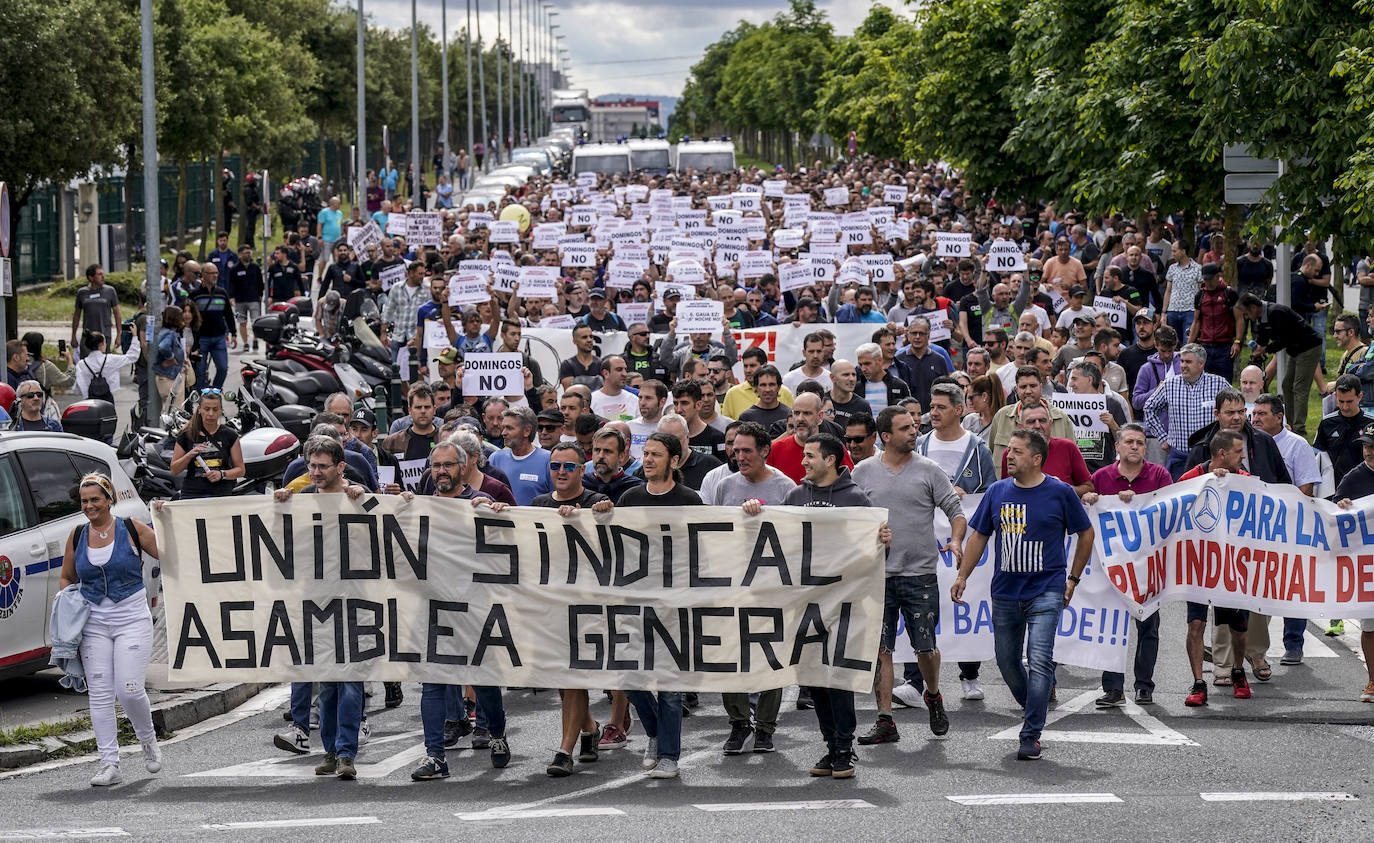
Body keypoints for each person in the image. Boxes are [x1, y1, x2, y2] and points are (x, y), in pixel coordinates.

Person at [740, 432, 890, 779]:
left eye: (810, 456)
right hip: (804, 605)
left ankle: (844, 747)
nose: (803, 461)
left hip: (844, 604)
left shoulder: (856, 500)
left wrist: (883, 543)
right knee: (814, 677)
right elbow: (775, 537)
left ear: (831, 460)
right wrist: (754, 513)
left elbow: (874, 558)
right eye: (804, 456)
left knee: (837, 676)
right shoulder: (795, 495)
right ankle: (830, 746)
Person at [955, 427, 1094, 761]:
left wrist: (1072, 579)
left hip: (1047, 589)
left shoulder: (1060, 493)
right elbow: (978, 537)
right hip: (1005, 593)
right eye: (1009, 450)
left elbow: (1085, 534)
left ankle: (1031, 733)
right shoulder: (998, 491)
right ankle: (1034, 704)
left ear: (1036, 459)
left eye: (1016, 451)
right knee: (1006, 661)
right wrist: (962, 575)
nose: (1008, 455)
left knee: (1041, 659)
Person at [853, 407, 967, 745]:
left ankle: (932, 693)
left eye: (914, 426)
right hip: (878, 576)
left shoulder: (930, 471)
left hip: (919, 575)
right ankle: (885, 719)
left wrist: (956, 539)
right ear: (885, 436)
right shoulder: (862, 473)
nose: (913, 432)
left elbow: (955, 512)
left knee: (925, 648)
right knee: (881, 650)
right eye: (905, 428)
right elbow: (850, 520)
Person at [407, 440, 513, 780]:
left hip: (475, 608)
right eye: (436, 465)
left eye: (448, 465)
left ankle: (496, 734)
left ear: (463, 467)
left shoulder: (479, 504)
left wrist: (494, 514)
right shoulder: (420, 507)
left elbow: (507, 546)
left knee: (483, 681)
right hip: (433, 608)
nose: (441, 471)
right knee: (433, 683)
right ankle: (434, 755)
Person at [272, 437, 371, 780]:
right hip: (317, 601)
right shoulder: (302, 500)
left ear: (340, 467)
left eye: (322, 466)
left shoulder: (357, 497)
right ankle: (331, 750)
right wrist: (282, 504)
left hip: (356, 599)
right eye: (310, 466)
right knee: (327, 683)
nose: (314, 472)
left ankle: (347, 753)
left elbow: (389, 523)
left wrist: (372, 498)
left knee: (351, 681)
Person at [58, 474, 163, 786]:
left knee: (129, 690)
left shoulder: (131, 528)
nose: (90, 506)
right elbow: (67, 577)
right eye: (84, 501)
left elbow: (169, 553)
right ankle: (109, 764)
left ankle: (148, 741)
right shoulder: (77, 535)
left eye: (95, 499)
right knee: (100, 695)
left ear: (109, 499)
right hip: (93, 622)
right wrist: (68, 604)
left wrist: (166, 517)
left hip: (131, 616)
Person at [619, 432, 702, 779]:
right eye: (645, 453)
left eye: (655, 454)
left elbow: (706, 548)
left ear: (674, 460)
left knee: (669, 686)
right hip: (634, 603)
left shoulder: (690, 500)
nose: (648, 459)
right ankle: (654, 733)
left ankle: (668, 754)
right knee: (629, 677)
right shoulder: (629, 498)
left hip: (675, 607)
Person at [530, 442, 614, 776]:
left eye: (568, 466)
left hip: (586, 605)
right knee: (562, 681)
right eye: (555, 466)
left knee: (574, 676)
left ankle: (565, 751)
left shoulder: (595, 502)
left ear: (583, 470)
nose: (560, 473)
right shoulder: (537, 505)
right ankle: (590, 729)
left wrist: (601, 516)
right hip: (549, 604)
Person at [1082, 424, 1172, 706]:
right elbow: (1085, 514)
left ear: (1146, 449)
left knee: (1148, 628)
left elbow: (1171, 510)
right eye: (1129, 442)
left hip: (1147, 567)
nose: (1135, 446)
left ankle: (1144, 685)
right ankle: (1113, 687)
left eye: (1140, 443)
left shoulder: (1159, 475)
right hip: (1112, 567)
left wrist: (1142, 503)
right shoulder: (1100, 477)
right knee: (1112, 625)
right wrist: (1089, 498)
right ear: (1118, 447)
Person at [1177, 429, 1255, 706]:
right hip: (1199, 565)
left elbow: (1266, 502)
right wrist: (1210, 481)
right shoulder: (1192, 476)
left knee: (1239, 626)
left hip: (1233, 565)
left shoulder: (1245, 478)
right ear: (1221, 454)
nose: (1243, 455)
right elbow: (1173, 503)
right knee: (1195, 623)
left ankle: (1238, 671)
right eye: (1238, 451)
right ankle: (1199, 682)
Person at [1238, 292, 1323, 437]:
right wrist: (1258, 347)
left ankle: (1298, 427)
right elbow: (1264, 337)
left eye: (1246, 314)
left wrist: (1265, 349)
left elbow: (1285, 339)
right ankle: (1287, 421)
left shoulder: (1276, 312)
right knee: (1286, 385)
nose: (1246, 317)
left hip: (1308, 346)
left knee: (1299, 387)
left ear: (1253, 307)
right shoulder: (1262, 317)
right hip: (1294, 349)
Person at [1142, 343, 1230, 478]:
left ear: (1201, 364)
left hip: (1210, 456)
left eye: (1188, 362)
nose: (1183, 365)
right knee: (1180, 496)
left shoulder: (1219, 384)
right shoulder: (1170, 384)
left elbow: (1234, 408)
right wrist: (1162, 437)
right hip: (1180, 457)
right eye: (1182, 361)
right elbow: (1149, 408)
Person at [170, 390, 245, 498]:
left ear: (221, 411)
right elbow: (174, 470)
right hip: (192, 495)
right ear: (199, 409)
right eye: (207, 409)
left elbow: (241, 470)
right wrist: (189, 455)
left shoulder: (230, 435)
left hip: (221, 495)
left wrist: (222, 474)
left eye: (215, 409)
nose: (211, 414)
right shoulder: (186, 435)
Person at [766, 393, 852, 482]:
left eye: (807, 413)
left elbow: (850, 485)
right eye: (796, 413)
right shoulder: (775, 450)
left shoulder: (836, 449)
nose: (800, 418)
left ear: (820, 416)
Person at [1314, 374, 1374, 483]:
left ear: (1360, 397)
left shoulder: (1371, 422)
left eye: (1349, 402)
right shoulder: (1326, 423)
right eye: (1341, 401)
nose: (1345, 407)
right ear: (1336, 396)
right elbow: (1317, 456)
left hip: (1366, 487)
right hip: (1333, 488)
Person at [1188, 263, 1242, 380]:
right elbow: (1196, 321)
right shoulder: (1200, 296)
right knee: (1204, 382)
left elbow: (1239, 319)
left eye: (1211, 279)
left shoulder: (1229, 294)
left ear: (1218, 276)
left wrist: (1237, 341)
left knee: (1225, 383)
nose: (1208, 282)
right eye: (1205, 279)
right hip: (1205, 346)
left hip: (1225, 346)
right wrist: (1189, 345)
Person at [488, 406, 551, 505]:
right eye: (503, 427)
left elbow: (557, 498)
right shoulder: (495, 458)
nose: (503, 433)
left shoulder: (548, 460)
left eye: (509, 428)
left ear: (527, 431)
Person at [187, 262, 233, 389]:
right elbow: (188, 316)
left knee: (223, 368)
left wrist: (233, 333)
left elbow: (228, 314)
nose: (215, 276)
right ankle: (203, 399)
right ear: (204, 275)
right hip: (201, 339)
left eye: (216, 273)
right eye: (212, 273)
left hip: (219, 337)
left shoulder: (222, 293)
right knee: (200, 372)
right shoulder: (195, 295)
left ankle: (215, 393)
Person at [72, 264, 123, 360]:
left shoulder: (110, 291)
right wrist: (73, 335)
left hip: (104, 335)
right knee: (86, 364)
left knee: (103, 363)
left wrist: (119, 334)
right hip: (88, 336)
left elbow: (117, 313)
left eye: (103, 274)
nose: (103, 276)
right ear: (91, 277)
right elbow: (77, 315)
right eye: (99, 274)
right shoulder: (82, 293)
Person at [74, 330, 141, 402]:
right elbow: (132, 356)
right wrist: (134, 337)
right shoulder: (110, 359)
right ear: (101, 344)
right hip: (107, 399)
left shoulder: (81, 364)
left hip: (89, 401)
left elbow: (78, 386)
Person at [20, 332, 75, 396]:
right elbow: (68, 381)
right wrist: (69, 359)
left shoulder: (16, 361)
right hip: (39, 403)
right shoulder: (46, 366)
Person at [153, 308, 187, 409]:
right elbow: (163, 347)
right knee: (174, 410)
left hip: (164, 376)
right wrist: (171, 358)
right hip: (170, 377)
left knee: (167, 409)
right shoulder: (170, 334)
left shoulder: (163, 332)